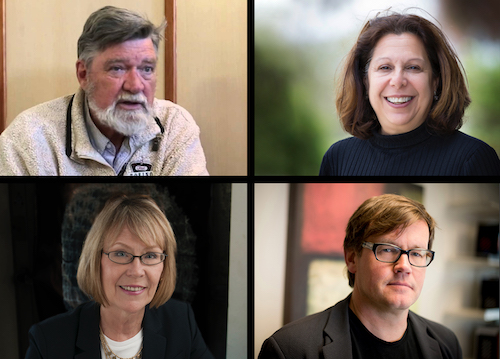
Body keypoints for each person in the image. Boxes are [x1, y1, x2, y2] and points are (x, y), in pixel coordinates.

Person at [0, 6, 208, 176]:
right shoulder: (28, 139)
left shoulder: (175, 125)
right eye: (117, 68)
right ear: (84, 74)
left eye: (146, 69)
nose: (135, 85)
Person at [259, 194, 462, 359]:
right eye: (388, 250)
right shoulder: (289, 349)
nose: (404, 266)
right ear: (352, 258)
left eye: (417, 253)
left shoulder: (446, 343)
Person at [26, 195, 214, 358]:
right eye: (121, 254)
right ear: (96, 261)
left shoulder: (181, 321)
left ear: (164, 267)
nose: (136, 271)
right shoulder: (48, 341)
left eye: (150, 256)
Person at [319, 11, 500, 176]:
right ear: (365, 80)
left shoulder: (473, 159)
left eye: (413, 67)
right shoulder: (337, 159)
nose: (398, 81)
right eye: (385, 67)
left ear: (436, 80)